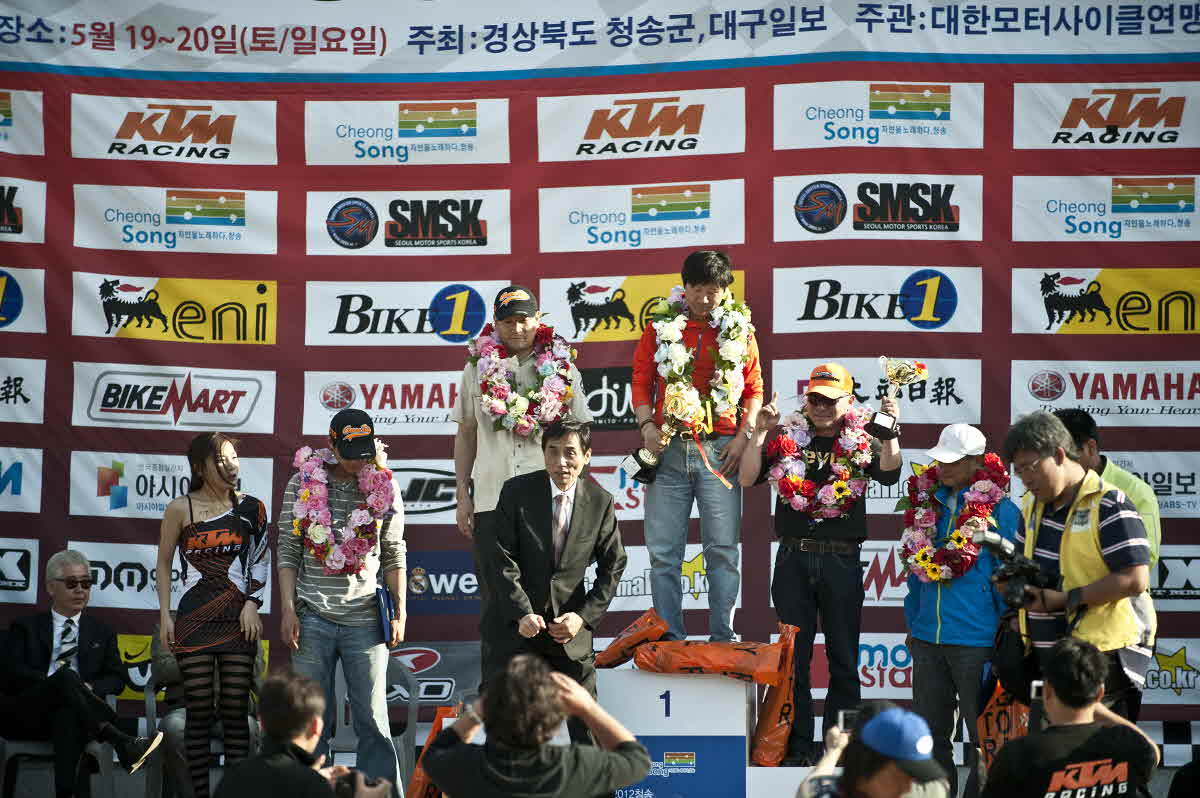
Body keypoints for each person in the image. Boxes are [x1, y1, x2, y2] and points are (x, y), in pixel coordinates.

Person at [740, 365, 901, 765]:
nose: (822, 407)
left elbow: (889, 473)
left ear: (849, 401)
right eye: (814, 399)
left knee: (844, 659)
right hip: (793, 558)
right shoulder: (788, 437)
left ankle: (840, 750)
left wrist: (890, 433)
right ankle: (796, 748)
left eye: (830, 400)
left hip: (841, 559)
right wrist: (759, 434)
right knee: (794, 660)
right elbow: (746, 478)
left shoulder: (863, 437)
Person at [453, 285, 592, 680]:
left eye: (523, 320)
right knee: (498, 608)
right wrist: (462, 495)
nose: (516, 329)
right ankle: (499, 701)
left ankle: (555, 699)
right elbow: (466, 434)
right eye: (508, 321)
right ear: (495, 325)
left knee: (549, 603)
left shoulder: (562, 367)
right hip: (491, 499)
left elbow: (581, 435)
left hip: (546, 503)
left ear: (538, 320)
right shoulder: (475, 368)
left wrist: (576, 499)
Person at [632, 249, 763, 642]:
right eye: (697, 289)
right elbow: (641, 381)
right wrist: (646, 425)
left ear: (725, 290)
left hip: (721, 450)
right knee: (664, 554)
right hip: (669, 449)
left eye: (713, 291)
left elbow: (754, 389)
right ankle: (669, 640)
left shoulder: (741, 330)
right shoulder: (659, 328)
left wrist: (743, 436)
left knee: (722, 550)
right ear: (684, 288)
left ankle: (723, 638)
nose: (705, 299)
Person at [277, 408, 407, 787]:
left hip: (366, 619)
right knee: (310, 724)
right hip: (312, 616)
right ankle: (312, 793)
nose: (357, 462)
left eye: (364, 453)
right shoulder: (302, 483)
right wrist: (288, 609)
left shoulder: (385, 484)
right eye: (349, 454)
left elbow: (394, 552)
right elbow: (287, 549)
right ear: (332, 446)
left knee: (374, 722)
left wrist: (399, 611)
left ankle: (378, 795)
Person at [1004, 412, 1156, 721]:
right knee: (1052, 749)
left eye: (1031, 467)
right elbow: (1023, 563)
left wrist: (1066, 599)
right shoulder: (1031, 505)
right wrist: (1012, 584)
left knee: (1101, 750)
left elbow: (1134, 578)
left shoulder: (1109, 503)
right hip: (1049, 661)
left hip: (1101, 661)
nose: (1026, 479)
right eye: (1018, 472)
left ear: (1059, 454)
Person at [484, 419, 627, 744]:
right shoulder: (516, 492)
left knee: (587, 731)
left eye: (570, 452)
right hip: (519, 632)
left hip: (570, 635)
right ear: (543, 453)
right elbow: (501, 558)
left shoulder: (600, 501)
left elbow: (614, 564)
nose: (561, 462)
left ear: (587, 456)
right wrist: (522, 612)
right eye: (553, 451)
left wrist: (582, 618)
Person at [901, 424, 1020, 798]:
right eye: (940, 460)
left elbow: (1010, 579)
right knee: (929, 739)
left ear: (976, 462)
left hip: (977, 643)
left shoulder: (1003, 511)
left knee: (985, 740)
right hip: (928, 641)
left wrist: (1004, 638)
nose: (942, 467)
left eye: (952, 461)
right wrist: (914, 623)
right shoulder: (927, 505)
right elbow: (917, 573)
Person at [157, 432, 270, 798]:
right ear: (199, 467)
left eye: (234, 457)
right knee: (199, 713)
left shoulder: (252, 507)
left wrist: (253, 603)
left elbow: (261, 559)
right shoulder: (179, 508)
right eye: (221, 459)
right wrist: (165, 616)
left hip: (239, 619)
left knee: (237, 713)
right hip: (193, 619)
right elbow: (162, 564)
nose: (230, 465)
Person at [0, 550, 163, 798]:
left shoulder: (102, 632)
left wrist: (88, 689)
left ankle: (67, 792)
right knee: (67, 678)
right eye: (71, 583)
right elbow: (11, 673)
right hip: (28, 715)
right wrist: (59, 684)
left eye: (86, 583)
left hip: (80, 719)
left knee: (68, 711)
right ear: (50, 587)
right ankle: (119, 739)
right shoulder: (24, 627)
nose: (80, 590)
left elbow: (117, 679)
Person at [421, 654, 650, 798]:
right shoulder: (574, 767)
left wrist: (476, 713)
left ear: (489, 713)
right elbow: (637, 759)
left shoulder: (468, 768)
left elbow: (436, 752)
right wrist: (588, 707)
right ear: (555, 721)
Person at [980, 637, 1158, 798]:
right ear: (1100, 693)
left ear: (1047, 691)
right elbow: (1152, 754)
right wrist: (1096, 706)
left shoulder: (1018, 756)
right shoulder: (1126, 743)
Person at [213, 669, 391, 798]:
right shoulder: (313, 788)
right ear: (316, 727)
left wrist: (310, 775)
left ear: (262, 723)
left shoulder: (232, 778)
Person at [150, 613, 266, 798]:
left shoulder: (244, 620)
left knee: (249, 729)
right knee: (172, 727)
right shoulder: (171, 621)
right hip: (186, 708)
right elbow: (162, 669)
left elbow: (256, 667)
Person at [1053, 408, 1161, 567]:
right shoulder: (1048, 491)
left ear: (1090, 447)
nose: (1057, 463)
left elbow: (1147, 557)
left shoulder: (1136, 491)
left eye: (1064, 456)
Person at [797, 701, 946, 798]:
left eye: (916, 776)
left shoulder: (933, 790)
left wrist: (834, 750)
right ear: (866, 765)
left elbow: (810, 788)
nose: (907, 788)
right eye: (899, 776)